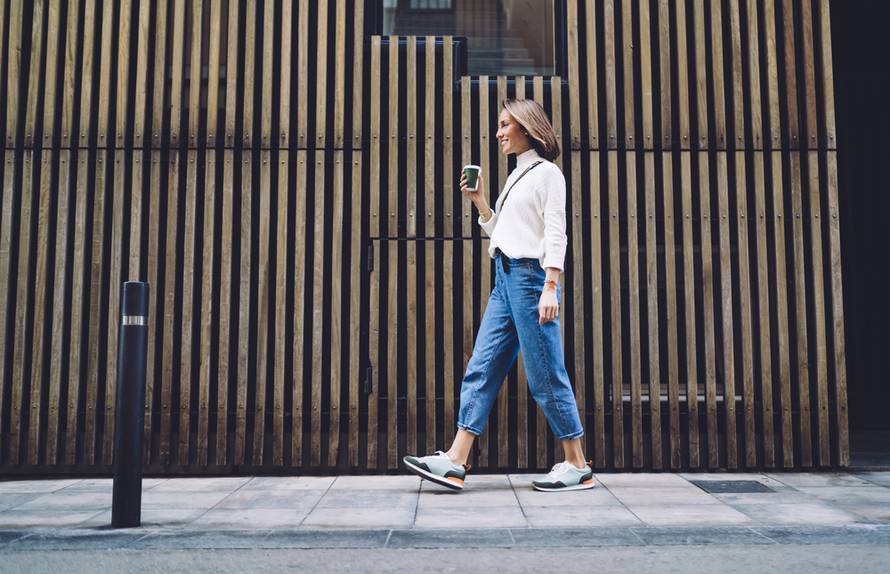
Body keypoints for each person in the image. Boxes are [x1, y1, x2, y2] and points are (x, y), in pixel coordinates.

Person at [403, 99, 593, 492]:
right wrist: (480, 202)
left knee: (544, 374)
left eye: (506, 124)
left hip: (530, 280)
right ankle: (456, 460)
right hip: (505, 280)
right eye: (499, 125)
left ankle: (577, 463)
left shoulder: (547, 174)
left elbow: (556, 233)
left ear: (528, 128)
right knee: (483, 367)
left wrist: (551, 285)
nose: (499, 132)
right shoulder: (517, 176)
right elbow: (504, 235)